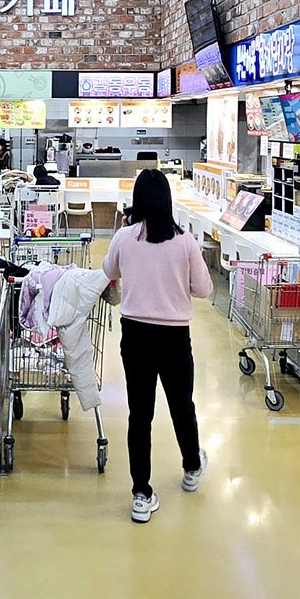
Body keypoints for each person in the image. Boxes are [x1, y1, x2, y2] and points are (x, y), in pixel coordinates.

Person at [102, 169, 211, 524]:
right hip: (174, 337)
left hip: (135, 335)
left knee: (140, 414)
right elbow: (204, 289)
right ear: (167, 200)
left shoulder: (124, 237)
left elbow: (108, 270)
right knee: (182, 405)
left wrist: (126, 232)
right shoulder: (185, 241)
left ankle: (141, 494)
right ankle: (192, 467)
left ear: (137, 201)